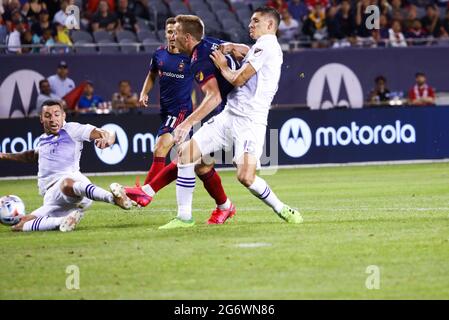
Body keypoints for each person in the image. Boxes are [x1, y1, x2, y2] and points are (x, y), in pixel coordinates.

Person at [157, 7, 303, 229]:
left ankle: (282, 208)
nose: (250, 25)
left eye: (256, 21)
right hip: (229, 116)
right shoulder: (261, 47)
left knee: (246, 177)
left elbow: (238, 79)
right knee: (186, 154)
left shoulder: (268, 46)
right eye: (251, 21)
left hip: (250, 121)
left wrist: (223, 67)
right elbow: (249, 51)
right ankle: (184, 217)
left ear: (270, 25)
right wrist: (235, 47)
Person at [122, 17, 238, 225]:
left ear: (187, 36)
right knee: (201, 166)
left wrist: (187, 123)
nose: (172, 37)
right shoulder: (165, 53)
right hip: (222, 113)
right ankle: (225, 206)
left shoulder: (195, 59)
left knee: (171, 150)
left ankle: (147, 193)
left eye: (175, 32)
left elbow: (213, 96)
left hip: (219, 115)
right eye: (170, 32)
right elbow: (152, 75)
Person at [0, 100, 133, 232]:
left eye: (57, 114)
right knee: (19, 225)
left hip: (74, 186)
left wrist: (107, 139)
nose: (53, 119)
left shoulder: (72, 129)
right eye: (48, 115)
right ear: (41, 118)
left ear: (63, 116)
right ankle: (63, 221)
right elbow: (32, 156)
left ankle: (113, 199)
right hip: (52, 198)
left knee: (66, 184)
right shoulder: (42, 140)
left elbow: (108, 133)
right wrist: (4, 155)